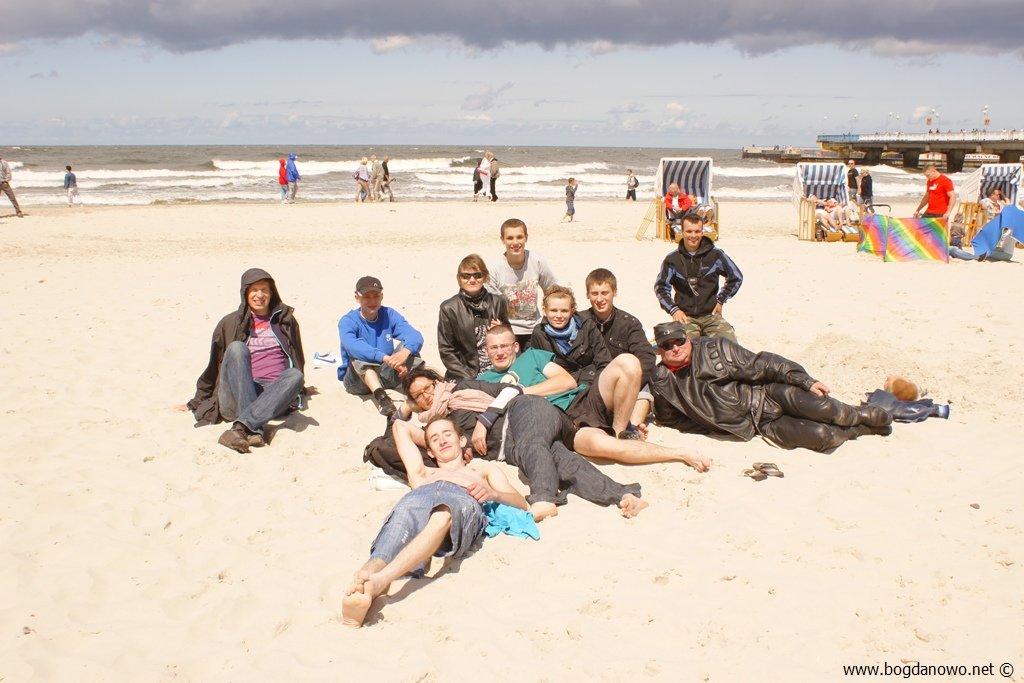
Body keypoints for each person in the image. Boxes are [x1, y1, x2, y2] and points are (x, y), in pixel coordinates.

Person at [342, 416, 528, 628]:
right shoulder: (422, 473)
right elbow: (400, 426)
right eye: (435, 439)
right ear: (429, 451)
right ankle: (366, 577)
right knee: (400, 521)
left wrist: (493, 493)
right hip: (421, 495)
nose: (442, 441)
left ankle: (380, 581)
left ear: (462, 440)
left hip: (461, 498)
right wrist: (434, 439)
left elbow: (521, 503)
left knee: (443, 514)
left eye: (448, 434)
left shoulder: (482, 471)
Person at [399, 369, 648, 522]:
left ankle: (543, 499)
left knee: (533, 444)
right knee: (562, 461)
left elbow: (511, 389)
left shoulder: (463, 388)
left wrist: (484, 421)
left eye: (428, 388)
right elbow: (399, 431)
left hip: (524, 411)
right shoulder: (438, 429)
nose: (427, 395)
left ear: (437, 382)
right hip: (513, 447)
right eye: (418, 396)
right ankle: (623, 495)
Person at [478, 326, 709, 469]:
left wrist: (520, 392)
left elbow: (566, 382)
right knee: (607, 447)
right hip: (565, 424)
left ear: (515, 347)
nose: (500, 352)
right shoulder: (484, 380)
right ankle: (679, 453)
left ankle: (620, 429)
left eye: (504, 346)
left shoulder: (531, 357)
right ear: (486, 351)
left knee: (628, 362)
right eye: (494, 348)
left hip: (582, 399)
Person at [646, 322, 892, 453]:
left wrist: (805, 380)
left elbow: (763, 364)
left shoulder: (715, 349)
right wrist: (711, 424)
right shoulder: (661, 381)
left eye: (679, 341)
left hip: (769, 394)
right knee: (821, 437)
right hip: (757, 425)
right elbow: (671, 420)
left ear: (688, 339)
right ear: (660, 351)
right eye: (667, 345)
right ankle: (861, 430)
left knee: (827, 409)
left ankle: (859, 413)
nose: (675, 348)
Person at [184, 268, 307, 454]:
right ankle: (249, 426)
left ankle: (241, 428)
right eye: (254, 290)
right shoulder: (230, 322)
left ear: (272, 293)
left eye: (264, 290)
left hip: (272, 396)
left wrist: (299, 387)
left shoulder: (285, 321)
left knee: (295, 375)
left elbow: (297, 358)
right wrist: (196, 401)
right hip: (237, 393)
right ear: (245, 293)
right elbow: (214, 366)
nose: (260, 295)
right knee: (236, 348)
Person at [339, 276, 425, 417]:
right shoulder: (348, 321)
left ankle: (417, 389)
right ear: (357, 297)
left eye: (376, 296)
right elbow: (352, 346)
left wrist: (405, 352)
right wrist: (385, 358)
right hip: (358, 383)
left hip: (386, 374)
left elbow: (415, 336)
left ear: (382, 296)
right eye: (367, 297)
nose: (372, 301)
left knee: (410, 348)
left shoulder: (389, 314)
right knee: (358, 356)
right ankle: (382, 399)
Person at [655, 214, 742, 342]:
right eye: (689, 231)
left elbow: (736, 277)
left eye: (697, 231)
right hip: (686, 317)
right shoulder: (672, 259)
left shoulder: (716, 255)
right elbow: (661, 288)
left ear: (702, 232)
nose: (693, 235)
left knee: (730, 346)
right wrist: (674, 310)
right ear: (682, 232)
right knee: (686, 347)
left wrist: (721, 299)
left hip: (711, 316)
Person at [486, 218, 557, 349]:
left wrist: (550, 316)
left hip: (534, 328)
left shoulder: (537, 261)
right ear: (502, 240)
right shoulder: (494, 270)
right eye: (510, 238)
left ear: (526, 238)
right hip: (507, 330)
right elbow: (491, 305)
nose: (515, 242)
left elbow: (553, 291)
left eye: (519, 237)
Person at [580, 268, 658, 388]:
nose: (599, 299)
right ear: (587, 294)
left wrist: (626, 386)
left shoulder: (629, 323)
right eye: (594, 293)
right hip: (588, 386)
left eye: (604, 293)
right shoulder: (579, 322)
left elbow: (646, 359)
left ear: (614, 292)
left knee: (645, 396)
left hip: (624, 385)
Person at [437, 254, 510, 380]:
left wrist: (502, 330)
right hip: (466, 373)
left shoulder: (498, 302)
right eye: (466, 276)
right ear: (459, 278)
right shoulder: (449, 308)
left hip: (498, 368)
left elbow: (510, 338)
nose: (472, 280)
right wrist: (469, 378)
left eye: (477, 275)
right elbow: (446, 350)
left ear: (485, 277)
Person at [529, 285, 610, 388]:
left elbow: (604, 360)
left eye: (564, 311)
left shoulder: (587, 325)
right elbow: (537, 368)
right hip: (560, 388)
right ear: (545, 311)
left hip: (591, 383)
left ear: (572, 311)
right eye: (553, 310)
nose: (559, 316)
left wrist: (596, 387)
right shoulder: (539, 333)